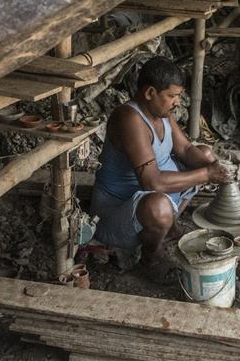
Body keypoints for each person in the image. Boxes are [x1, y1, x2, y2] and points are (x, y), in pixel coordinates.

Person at [91, 56, 229, 276]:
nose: (177, 102)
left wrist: (219, 168)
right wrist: (206, 174)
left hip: (157, 196)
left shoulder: (161, 113)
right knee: (159, 207)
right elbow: (151, 181)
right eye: (172, 96)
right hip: (120, 211)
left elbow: (185, 150)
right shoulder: (129, 118)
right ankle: (149, 258)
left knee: (205, 153)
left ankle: (167, 227)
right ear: (150, 93)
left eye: (178, 96)